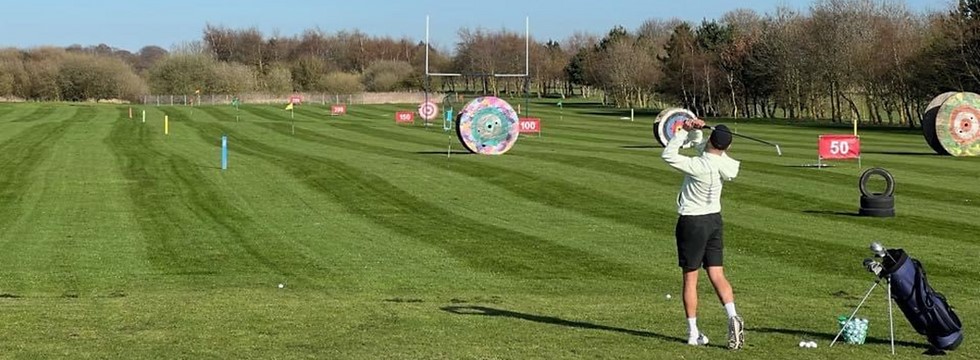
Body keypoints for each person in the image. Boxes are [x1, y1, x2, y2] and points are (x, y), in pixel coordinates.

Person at [660, 118, 744, 350]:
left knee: (690, 278)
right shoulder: (726, 165)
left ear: (711, 140)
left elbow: (668, 155)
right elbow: (705, 149)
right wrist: (696, 133)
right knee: (717, 274)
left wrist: (682, 132)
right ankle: (732, 316)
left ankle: (693, 332)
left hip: (692, 223)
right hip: (714, 221)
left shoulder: (698, 165)